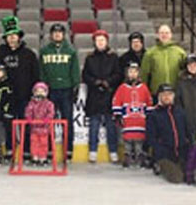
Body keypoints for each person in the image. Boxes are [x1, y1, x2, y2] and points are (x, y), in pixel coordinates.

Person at [0, 16, 40, 158]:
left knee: (25, 123)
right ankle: (10, 149)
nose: (12, 38)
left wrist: (34, 92)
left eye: (14, 35)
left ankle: (26, 151)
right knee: (8, 123)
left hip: (24, 95)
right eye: (9, 36)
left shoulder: (29, 54)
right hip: (7, 96)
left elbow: (36, 74)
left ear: (19, 36)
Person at [39, 23, 79, 161]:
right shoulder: (44, 51)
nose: (57, 34)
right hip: (50, 90)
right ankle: (49, 150)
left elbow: (75, 70)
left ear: (63, 34)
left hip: (66, 90)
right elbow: (42, 71)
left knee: (67, 121)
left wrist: (75, 86)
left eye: (60, 32)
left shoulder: (71, 51)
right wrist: (43, 87)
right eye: (54, 32)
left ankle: (68, 150)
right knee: (48, 121)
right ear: (51, 35)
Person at [82, 29, 123, 163]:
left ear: (106, 42)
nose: (100, 43)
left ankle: (113, 151)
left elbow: (118, 74)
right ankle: (92, 151)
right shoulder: (89, 58)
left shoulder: (113, 57)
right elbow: (85, 75)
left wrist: (108, 82)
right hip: (94, 95)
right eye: (98, 40)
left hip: (109, 94)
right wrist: (95, 82)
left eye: (102, 40)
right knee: (93, 125)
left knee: (111, 126)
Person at [112, 62, 153, 168]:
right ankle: (127, 155)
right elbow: (116, 102)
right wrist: (118, 115)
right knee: (127, 139)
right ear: (127, 73)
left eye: (135, 72)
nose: (133, 74)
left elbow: (148, 102)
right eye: (130, 72)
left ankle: (139, 155)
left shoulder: (144, 88)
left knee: (139, 139)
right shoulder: (122, 88)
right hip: (127, 120)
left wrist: (149, 115)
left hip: (140, 120)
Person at [146, 84, 189, 184]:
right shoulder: (154, 115)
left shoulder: (180, 112)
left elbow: (187, 131)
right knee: (177, 178)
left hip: (181, 153)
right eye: (164, 94)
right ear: (159, 97)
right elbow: (151, 138)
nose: (167, 97)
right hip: (164, 155)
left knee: (191, 177)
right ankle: (159, 166)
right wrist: (159, 150)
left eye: (169, 94)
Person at [140, 25, 186, 94]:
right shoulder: (150, 53)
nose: (164, 35)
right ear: (158, 35)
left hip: (176, 92)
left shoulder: (180, 52)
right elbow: (144, 74)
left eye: (167, 33)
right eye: (162, 33)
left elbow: (185, 71)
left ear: (171, 35)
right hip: (157, 92)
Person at [25, 82, 55, 166]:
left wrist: (47, 119)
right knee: (34, 143)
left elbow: (51, 112)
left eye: (42, 91)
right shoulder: (31, 103)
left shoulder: (49, 104)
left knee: (44, 143)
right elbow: (28, 111)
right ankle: (35, 157)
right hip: (34, 129)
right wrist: (29, 119)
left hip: (44, 129)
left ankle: (43, 157)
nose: (40, 93)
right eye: (38, 91)